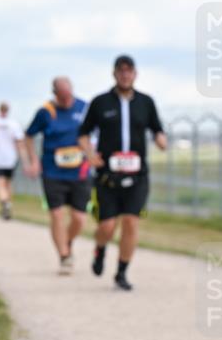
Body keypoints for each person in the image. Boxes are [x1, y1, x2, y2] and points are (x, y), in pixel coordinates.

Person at [78, 55, 167, 291]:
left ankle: (122, 272)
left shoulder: (146, 102)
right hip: (108, 175)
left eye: (129, 71)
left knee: (130, 222)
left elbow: (157, 129)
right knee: (107, 226)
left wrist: (161, 139)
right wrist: (89, 153)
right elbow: (83, 134)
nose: (125, 75)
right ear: (114, 74)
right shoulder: (100, 103)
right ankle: (100, 249)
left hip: (138, 175)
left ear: (135, 74)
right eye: (121, 71)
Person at [24, 77, 91, 275]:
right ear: (55, 94)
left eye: (69, 95)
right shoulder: (46, 112)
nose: (67, 100)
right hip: (53, 171)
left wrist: (93, 153)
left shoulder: (84, 108)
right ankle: (64, 256)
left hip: (80, 171)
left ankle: (66, 241)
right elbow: (28, 136)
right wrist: (33, 161)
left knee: (79, 218)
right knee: (56, 214)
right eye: (63, 97)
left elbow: (95, 133)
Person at [0, 101, 29, 220]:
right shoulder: (14, 124)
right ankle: (8, 203)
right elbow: (20, 143)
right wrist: (25, 161)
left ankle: (4, 202)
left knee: (0, 183)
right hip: (11, 158)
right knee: (8, 183)